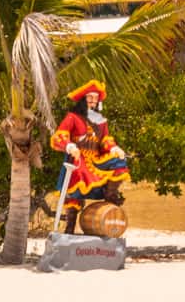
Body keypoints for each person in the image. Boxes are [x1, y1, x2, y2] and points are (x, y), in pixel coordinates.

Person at [50, 80, 130, 235]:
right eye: (90, 97)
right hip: (78, 159)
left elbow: (105, 140)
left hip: (96, 160)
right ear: (83, 98)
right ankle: (69, 228)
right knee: (75, 187)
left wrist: (114, 148)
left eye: (96, 98)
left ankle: (110, 195)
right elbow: (60, 135)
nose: (93, 101)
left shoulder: (101, 121)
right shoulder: (73, 117)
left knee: (120, 163)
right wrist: (69, 146)